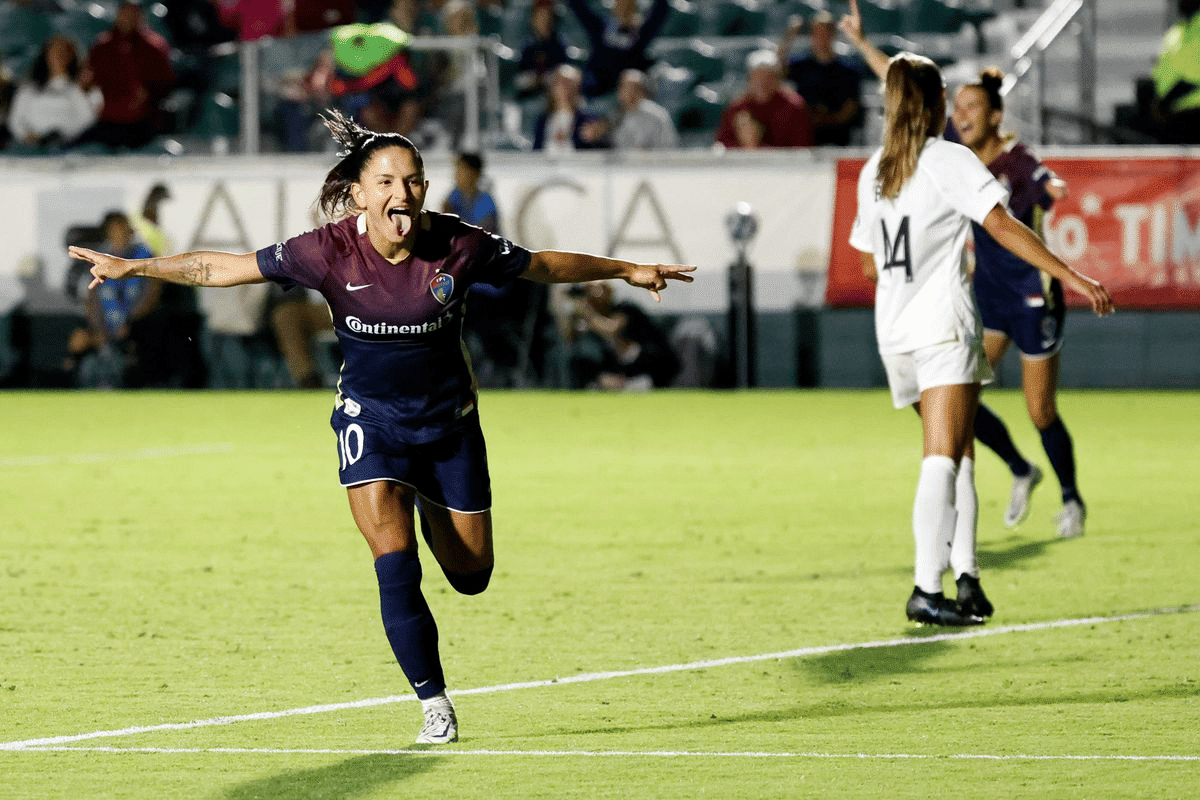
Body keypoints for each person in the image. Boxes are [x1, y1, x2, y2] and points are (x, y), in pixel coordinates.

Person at [70, 108, 693, 744]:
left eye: (415, 180)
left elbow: (541, 265)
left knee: (472, 575)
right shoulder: (326, 250)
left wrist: (624, 268)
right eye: (389, 182)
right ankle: (434, 703)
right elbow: (223, 266)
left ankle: (429, 499)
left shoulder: (457, 244)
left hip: (449, 426)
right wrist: (136, 267)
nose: (404, 194)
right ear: (361, 193)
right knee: (395, 565)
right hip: (372, 423)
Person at [848, 53, 1112, 626]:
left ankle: (967, 577)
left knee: (961, 455)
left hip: (893, 332)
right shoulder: (946, 159)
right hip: (942, 328)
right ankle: (926, 587)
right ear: (934, 101)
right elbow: (1002, 225)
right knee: (943, 461)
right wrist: (1070, 273)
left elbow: (868, 264)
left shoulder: (875, 168)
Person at [951, 68, 1094, 538]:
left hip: (1033, 298)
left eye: (972, 107)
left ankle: (1072, 499)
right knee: (962, 401)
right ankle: (1020, 468)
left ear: (995, 116)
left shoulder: (1016, 162)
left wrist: (1052, 185)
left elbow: (1042, 177)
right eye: (957, 106)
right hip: (990, 300)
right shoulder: (959, 164)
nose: (961, 114)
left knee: (1039, 411)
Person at [66, 211, 161, 388]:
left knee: (139, 347)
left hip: (136, 326)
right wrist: (97, 328)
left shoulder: (143, 255)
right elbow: (92, 297)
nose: (119, 235)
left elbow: (152, 295)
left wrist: (132, 322)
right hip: (106, 326)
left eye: (122, 230)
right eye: (114, 231)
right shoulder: (101, 257)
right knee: (78, 340)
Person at [80, 1, 176, 150]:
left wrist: (149, 93)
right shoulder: (102, 45)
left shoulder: (155, 46)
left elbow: (166, 82)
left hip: (143, 120)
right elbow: (91, 78)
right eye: (125, 12)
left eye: (134, 13)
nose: (129, 17)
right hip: (108, 119)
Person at [562, 280, 679, 390]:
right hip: (620, 371)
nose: (596, 293)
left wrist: (587, 312)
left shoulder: (626, 308)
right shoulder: (591, 318)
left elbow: (611, 329)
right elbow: (570, 338)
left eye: (600, 288)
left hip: (653, 367)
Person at [777, 11, 863, 146]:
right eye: (816, 33)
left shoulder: (849, 69)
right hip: (806, 134)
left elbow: (851, 107)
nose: (821, 37)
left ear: (833, 35)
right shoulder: (800, 65)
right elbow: (776, 71)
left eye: (825, 32)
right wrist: (789, 36)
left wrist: (828, 119)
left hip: (840, 136)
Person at [6, 34, 100, 150]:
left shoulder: (84, 88)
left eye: (64, 52)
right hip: (33, 149)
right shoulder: (29, 88)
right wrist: (27, 136)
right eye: (54, 52)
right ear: (46, 55)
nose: (59, 56)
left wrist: (65, 137)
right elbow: (15, 120)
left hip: (72, 148)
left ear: (73, 56)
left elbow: (88, 119)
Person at [567, 0, 671, 98]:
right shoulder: (601, 28)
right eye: (620, 4)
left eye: (628, 6)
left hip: (627, 93)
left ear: (634, 8)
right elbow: (580, 9)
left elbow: (660, 11)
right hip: (598, 91)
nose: (623, 9)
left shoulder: (641, 33)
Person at [714, 49, 813, 149]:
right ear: (749, 79)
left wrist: (759, 147)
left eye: (768, 77)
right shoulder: (737, 108)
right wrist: (747, 144)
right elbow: (722, 145)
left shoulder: (794, 106)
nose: (762, 83)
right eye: (757, 77)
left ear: (778, 79)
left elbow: (801, 148)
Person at [532, 63, 610, 152]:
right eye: (563, 83)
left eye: (571, 85)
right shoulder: (543, 120)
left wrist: (596, 136)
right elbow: (536, 151)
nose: (567, 89)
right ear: (553, 87)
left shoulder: (588, 121)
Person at [1152, 0, 1200, 143]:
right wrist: (1158, 102)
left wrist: (1165, 103)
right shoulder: (1178, 30)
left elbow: (1195, 76)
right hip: (1174, 118)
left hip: (1193, 115)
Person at [514, 0, 572, 102]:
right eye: (540, 17)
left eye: (547, 17)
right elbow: (520, 77)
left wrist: (544, 79)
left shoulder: (560, 45)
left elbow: (562, 73)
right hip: (528, 97)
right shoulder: (527, 46)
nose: (543, 21)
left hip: (553, 98)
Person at [611, 68, 678, 150]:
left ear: (643, 91)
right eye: (625, 87)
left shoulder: (657, 115)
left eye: (635, 88)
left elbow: (669, 147)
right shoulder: (616, 115)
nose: (630, 92)